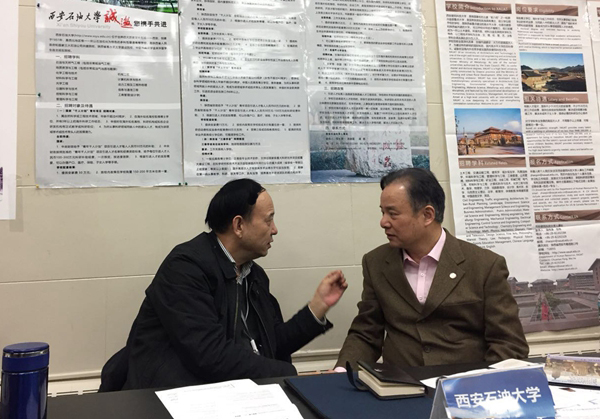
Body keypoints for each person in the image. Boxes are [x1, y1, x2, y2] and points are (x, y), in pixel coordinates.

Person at [100, 179, 347, 390]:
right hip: (170, 399)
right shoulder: (185, 268)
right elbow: (209, 354)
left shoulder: (254, 276)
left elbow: (270, 344)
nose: (275, 230)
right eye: (268, 220)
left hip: (229, 394)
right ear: (239, 225)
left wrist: (317, 308)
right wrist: (293, 377)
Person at [335, 168, 528, 371]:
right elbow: (366, 333)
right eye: (382, 212)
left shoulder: (484, 265)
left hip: (465, 385)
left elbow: (509, 344)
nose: (383, 222)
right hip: (399, 384)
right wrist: (341, 372)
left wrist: (479, 383)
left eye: (393, 214)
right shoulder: (376, 263)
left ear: (427, 215)